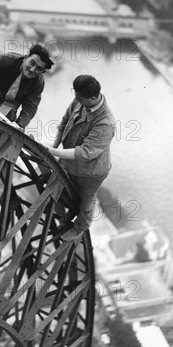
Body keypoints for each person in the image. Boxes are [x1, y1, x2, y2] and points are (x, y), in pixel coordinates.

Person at [46, 75, 116, 243]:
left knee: (87, 199)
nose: (75, 98)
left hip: (91, 171)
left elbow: (85, 153)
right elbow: (64, 123)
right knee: (64, 188)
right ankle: (69, 211)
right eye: (75, 94)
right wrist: (54, 147)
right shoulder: (80, 100)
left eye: (80, 97)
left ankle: (80, 227)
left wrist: (53, 152)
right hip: (69, 159)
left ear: (93, 98)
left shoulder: (106, 123)